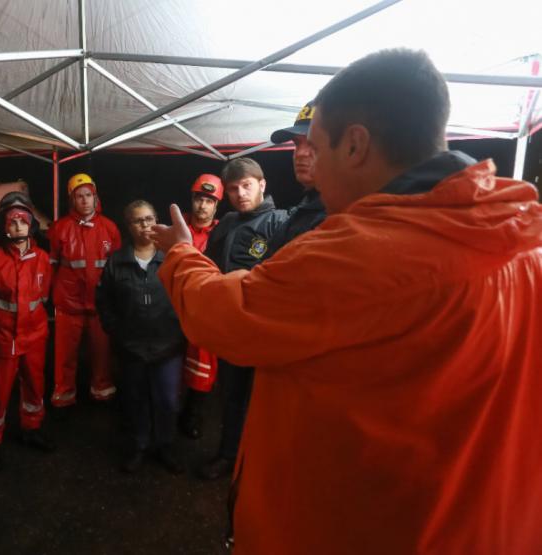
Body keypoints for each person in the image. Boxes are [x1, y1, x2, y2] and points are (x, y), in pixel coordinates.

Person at [151, 48, 542, 554]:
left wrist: (181, 254)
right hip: (485, 525)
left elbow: (221, 315)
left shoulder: (363, 254)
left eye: (317, 146)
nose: (306, 162)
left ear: (355, 145)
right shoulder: (524, 246)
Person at [198, 159, 287, 480]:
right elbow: (209, 264)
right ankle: (229, 455)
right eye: (233, 188)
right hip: (232, 327)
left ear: (262, 184)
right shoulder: (227, 222)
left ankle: (264, 465)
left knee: (267, 401)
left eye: (246, 185)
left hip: (265, 330)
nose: (239, 193)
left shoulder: (281, 222)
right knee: (232, 397)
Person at [96, 200, 185, 474]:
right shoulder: (117, 261)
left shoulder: (172, 257)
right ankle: (139, 446)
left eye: (149, 218)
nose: (145, 225)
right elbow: (104, 301)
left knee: (167, 400)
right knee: (135, 399)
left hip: (168, 346)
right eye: (138, 221)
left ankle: (165, 446)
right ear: (129, 226)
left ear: (157, 220)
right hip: (131, 348)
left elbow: (188, 296)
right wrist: (117, 331)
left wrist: (180, 331)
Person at [0, 192, 55, 471]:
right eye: (12, 220)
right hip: (1, 337)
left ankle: (31, 429)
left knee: (34, 386)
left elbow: (43, 297)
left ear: (31, 224)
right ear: (2, 225)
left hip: (35, 336)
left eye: (23, 220)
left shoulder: (43, 258)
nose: (18, 225)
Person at [48, 173, 121, 411]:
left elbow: (117, 269)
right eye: (79, 196)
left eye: (88, 195)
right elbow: (52, 266)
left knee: (102, 352)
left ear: (95, 196)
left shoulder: (110, 228)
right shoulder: (59, 229)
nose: (84, 200)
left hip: (99, 304)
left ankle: (102, 390)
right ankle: (64, 395)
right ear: (72, 200)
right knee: (65, 355)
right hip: (69, 305)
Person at [178, 174, 223, 439]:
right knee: (172, 361)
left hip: (205, 309)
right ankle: (168, 408)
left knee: (202, 365)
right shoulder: (176, 226)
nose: (203, 206)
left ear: (217, 205)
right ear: (192, 199)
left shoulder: (222, 231)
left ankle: (192, 415)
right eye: (199, 198)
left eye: (209, 200)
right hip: (173, 305)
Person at [264, 100, 327, 256]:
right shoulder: (307, 207)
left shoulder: (342, 216)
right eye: (297, 143)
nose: (300, 153)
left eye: (312, 142)